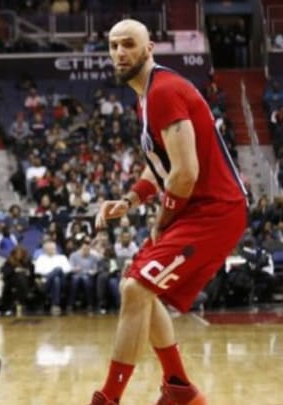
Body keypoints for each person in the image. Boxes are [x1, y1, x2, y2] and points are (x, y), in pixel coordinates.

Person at [89, 19, 248, 405]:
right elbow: (161, 164)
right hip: (199, 207)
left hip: (215, 210)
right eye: (113, 46)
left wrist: (163, 220)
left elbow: (186, 172)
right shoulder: (147, 94)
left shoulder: (163, 91)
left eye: (129, 44)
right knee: (140, 287)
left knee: (136, 287)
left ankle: (109, 398)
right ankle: (178, 386)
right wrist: (128, 201)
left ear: (149, 48)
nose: (120, 52)